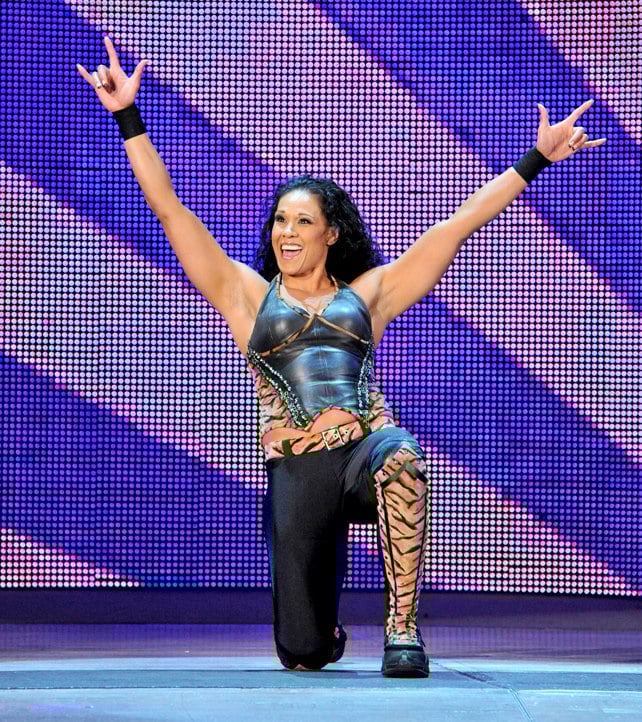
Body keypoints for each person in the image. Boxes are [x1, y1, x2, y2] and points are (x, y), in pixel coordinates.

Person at [78, 37, 605, 678]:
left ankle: (403, 630)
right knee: (303, 654)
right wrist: (127, 117)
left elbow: (456, 226)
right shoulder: (246, 296)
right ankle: (322, 621)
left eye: (303, 221)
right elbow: (170, 210)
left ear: (331, 233)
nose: (287, 232)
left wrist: (535, 159)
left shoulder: (368, 295)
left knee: (403, 458)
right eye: (280, 220)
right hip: (299, 470)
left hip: (364, 450)